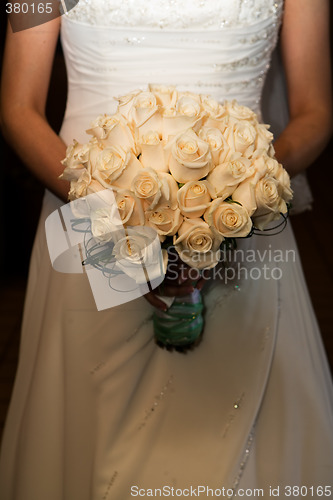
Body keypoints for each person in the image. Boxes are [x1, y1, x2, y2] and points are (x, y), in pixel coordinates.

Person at [1, 1, 332, 498]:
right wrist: (120, 223)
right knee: (100, 433)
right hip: (88, 218)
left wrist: (234, 199)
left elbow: (315, 112)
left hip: (242, 222)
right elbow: (18, 109)